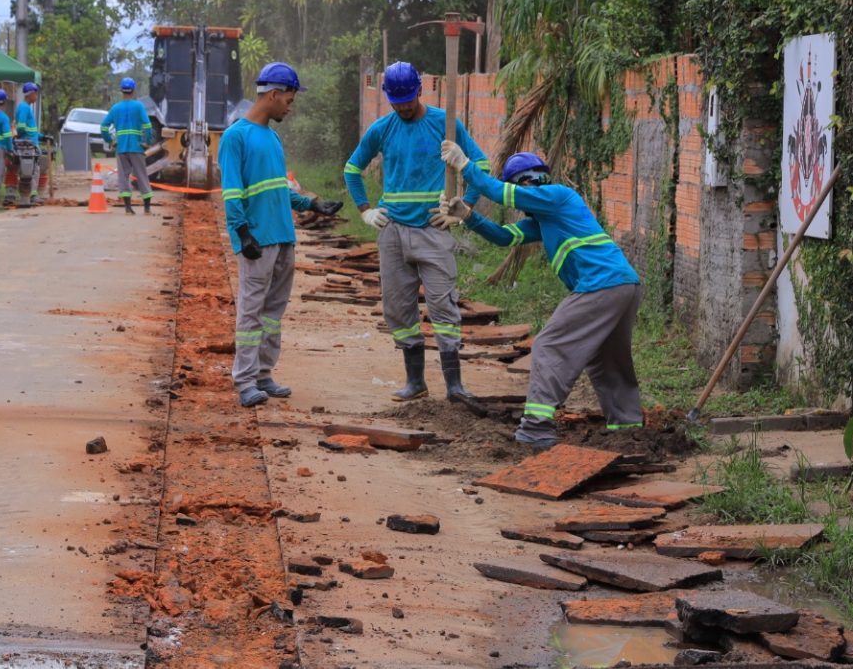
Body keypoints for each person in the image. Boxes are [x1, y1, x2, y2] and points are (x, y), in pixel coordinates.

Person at [447, 149, 644, 447]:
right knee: (608, 359)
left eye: (523, 184)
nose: (523, 192)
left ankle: (536, 427)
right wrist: (468, 216)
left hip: (601, 285)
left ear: (531, 181)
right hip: (624, 286)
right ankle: (627, 427)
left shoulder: (558, 196)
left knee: (550, 346)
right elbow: (503, 237)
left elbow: (501, 193)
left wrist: (465, 166)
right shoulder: (543, 219)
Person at [343, 61, 486, 413]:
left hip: (433, 230)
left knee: (442, 304)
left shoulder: (444, 123)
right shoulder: (382, 128)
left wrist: (462, 207)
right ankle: (415, 381)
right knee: (398, 306)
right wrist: (365, 209)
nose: (404, 107)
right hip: (392, 232)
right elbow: (351, 169)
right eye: (397, 102)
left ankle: (455, 385)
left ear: (420, 91)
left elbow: (479, 166)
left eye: (408, 100)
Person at [222, 62, 343, 407]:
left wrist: (312, 204)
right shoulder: (236, 137)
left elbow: (279, 189)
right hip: (257, 240)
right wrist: (242, 233)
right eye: (289, 100)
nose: (291, 107)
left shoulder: (272, 138)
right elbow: (232, 192)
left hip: (283, 236)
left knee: (273, 313)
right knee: (251, 312)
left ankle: (263, 373)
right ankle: (245, 381)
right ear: (274, 95)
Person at [101, 78, 155, 215]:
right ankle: (147, 209)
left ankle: (128, 209)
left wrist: (111, 141)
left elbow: (103, 127)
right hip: (136, 147)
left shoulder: (115, 108)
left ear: (121, 90)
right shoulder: (138, 106)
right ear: (134, 90)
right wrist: (147, 142)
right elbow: (148, 126)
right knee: (142, 176)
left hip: (121, 148)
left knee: (123, 178)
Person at [15, 82, 49, 205]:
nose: (36, 97)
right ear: (31, 94)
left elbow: (31, 129)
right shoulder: (24, 107)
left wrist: (42, 137)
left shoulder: (25, 107)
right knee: (33, 170)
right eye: (36, 94)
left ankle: (31, 194)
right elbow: (22, 127)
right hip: (28, 145)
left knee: (33, 170)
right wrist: (25, 139)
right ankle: (32, 195)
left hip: (30, 142)